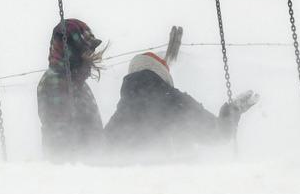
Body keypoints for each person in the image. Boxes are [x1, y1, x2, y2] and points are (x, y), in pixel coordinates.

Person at [103, 51, 258, 153]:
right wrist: (233, 110)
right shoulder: (174, 101)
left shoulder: (122, 111)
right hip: (170, 189)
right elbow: (218, 134)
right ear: (162, 74)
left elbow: (99, 151)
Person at [37, 19, 106, 160]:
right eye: (86, 51)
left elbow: (93, 129)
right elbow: (59, 136)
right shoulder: (55, 84)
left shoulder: (78, 82)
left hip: (90, 167)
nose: (91, 56)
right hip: (72, 171)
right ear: (71, 52)